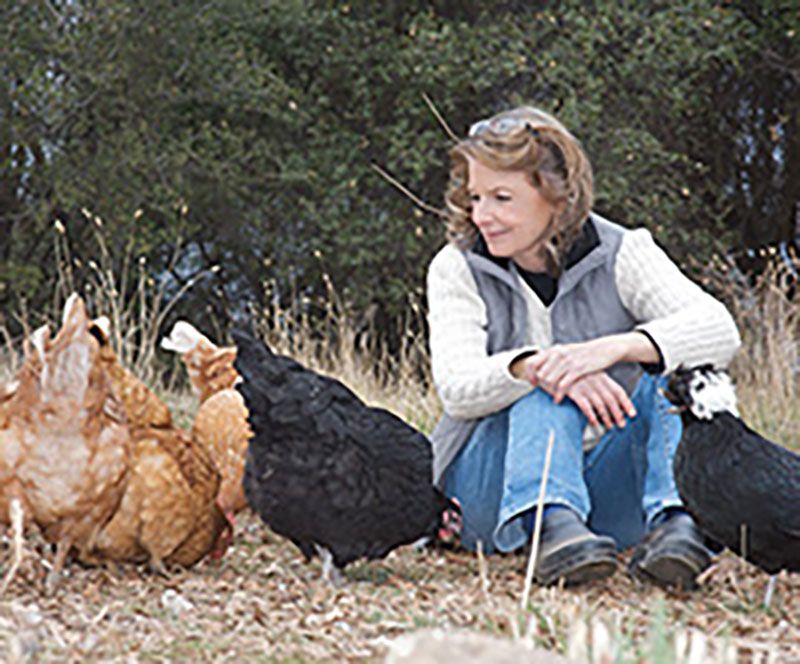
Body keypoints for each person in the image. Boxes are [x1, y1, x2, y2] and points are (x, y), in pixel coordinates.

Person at [426, 105, 741, 589]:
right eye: (475, 197)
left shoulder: (623, 250)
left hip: (607, 500)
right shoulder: (456, 267)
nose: (482, 215)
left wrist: (613, 350)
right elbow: (457, 388)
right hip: (495, 498)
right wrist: (538, 367)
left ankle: (679, 525)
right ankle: (551, 523)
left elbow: (720, 330)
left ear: (557, 195)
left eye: (501, 198)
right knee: (544, 381)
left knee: (678, 374)